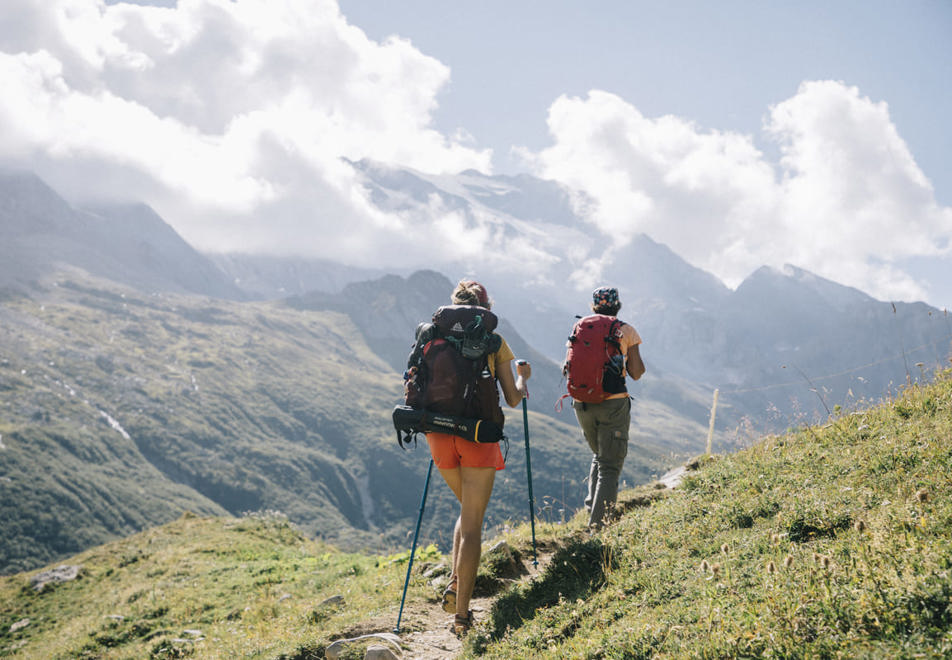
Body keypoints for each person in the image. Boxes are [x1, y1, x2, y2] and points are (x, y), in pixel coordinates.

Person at [427, 280, 530, 636]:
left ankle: (457, 583)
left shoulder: (433, 335)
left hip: (438, 434)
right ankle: (461, 617)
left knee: (466, 510)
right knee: (472, 526)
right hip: (477, 436)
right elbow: (513, 399)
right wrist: (522, 377)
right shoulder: (494, 341)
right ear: (485, 308)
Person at [568, 286, 645, 530]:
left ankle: (594, 508)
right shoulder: (626, 330)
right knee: (610, 466)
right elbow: (636, 372)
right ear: (617, 304)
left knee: (600, 455)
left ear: (594, 306)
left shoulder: (579, 327)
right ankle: (599, 530)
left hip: (582, 403)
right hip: (613, 402)